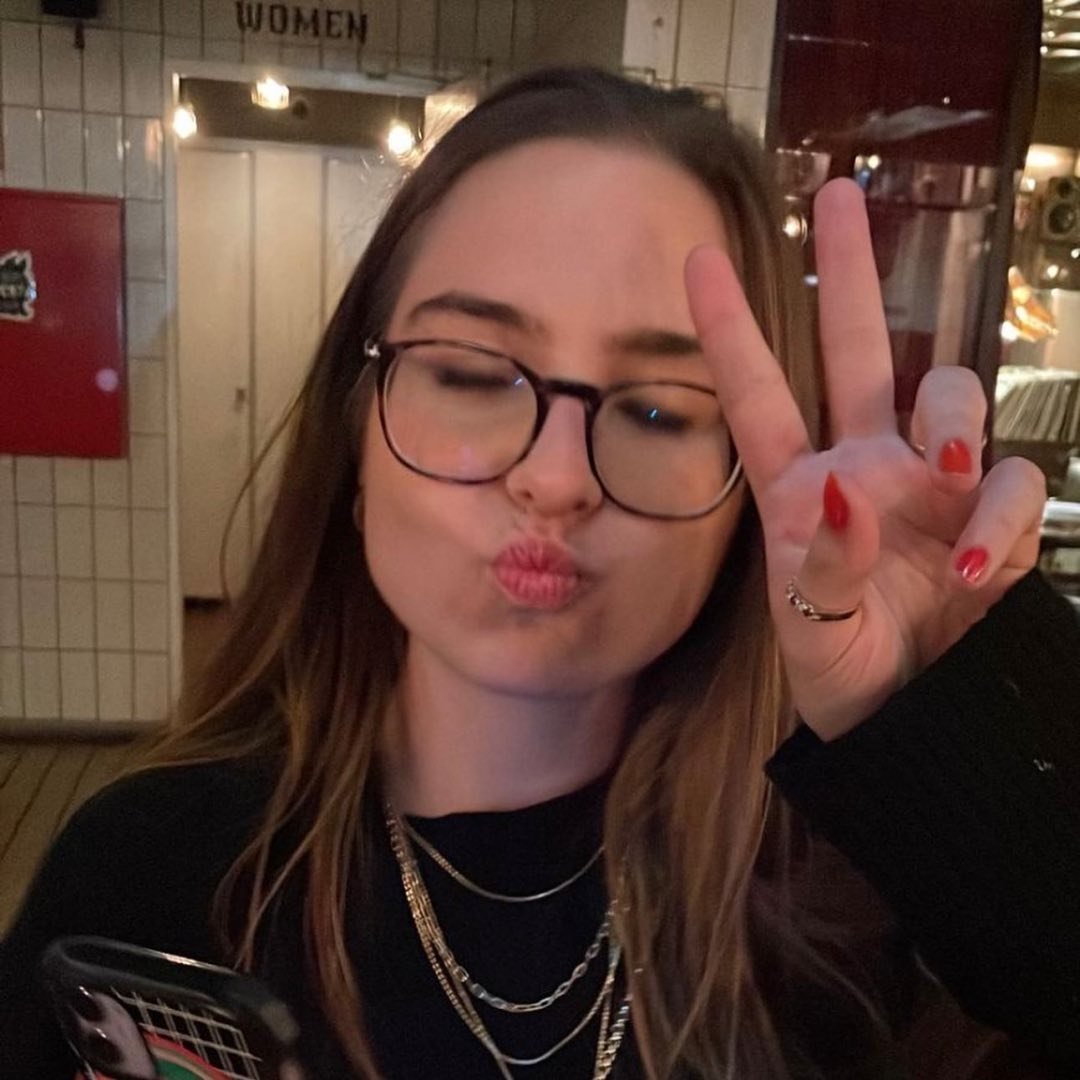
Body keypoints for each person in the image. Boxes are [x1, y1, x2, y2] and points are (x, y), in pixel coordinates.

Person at [2, 66, 1078, 1080]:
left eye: (657, 411)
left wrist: (971, 727)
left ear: (746, 503)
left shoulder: (854, 915)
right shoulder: (148, 883)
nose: (557, 480)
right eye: (472, 375)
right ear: (355, 436)